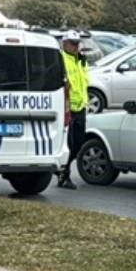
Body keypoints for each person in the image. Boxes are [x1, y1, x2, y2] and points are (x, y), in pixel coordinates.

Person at [58, 31, 90, 189]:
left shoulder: (81, 60)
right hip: (67, 108)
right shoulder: (61, 59)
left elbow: (84, 82)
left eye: (78, 43)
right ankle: (64, 175)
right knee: (69, 144)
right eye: (72, 43)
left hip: (80, 106)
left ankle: (63, 171)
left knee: (78, 143)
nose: (76, 46)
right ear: (64, 44)